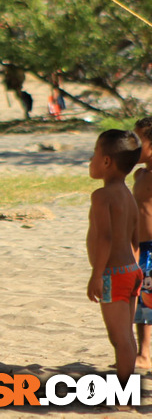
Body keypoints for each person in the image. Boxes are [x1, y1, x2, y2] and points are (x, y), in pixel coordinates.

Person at [86, 129, 143, 384]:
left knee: (119, 339)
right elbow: (135, 237)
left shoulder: (102, 196)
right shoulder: (128, 195)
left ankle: (123, 394)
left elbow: (104, 238)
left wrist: (96, 275)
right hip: (132, 271)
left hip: (113, 274)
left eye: (93, 155)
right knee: (126, 336)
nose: (90, 161)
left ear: (106, 161)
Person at [132, 118, 152, 370]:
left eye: (139, 142)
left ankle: (145, 354)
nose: (133, 147)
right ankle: (143, 352)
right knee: (142, 300)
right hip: (140, 247)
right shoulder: (139, 174)